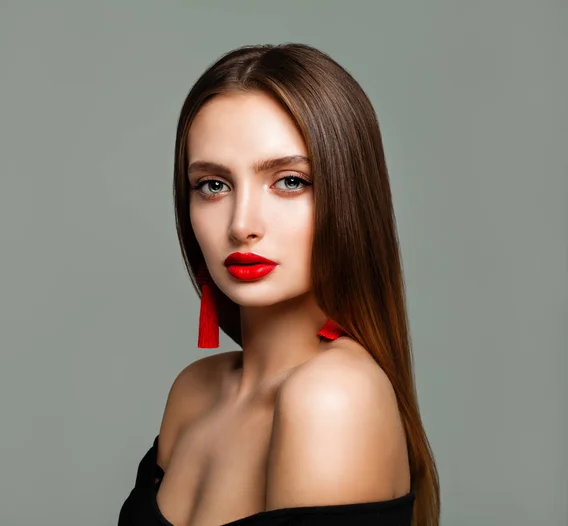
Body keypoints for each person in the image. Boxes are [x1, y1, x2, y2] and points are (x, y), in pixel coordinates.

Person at [118, 42, 440, 526]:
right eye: (213, 185)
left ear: (348, 196)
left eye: (289, 181)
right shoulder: (194, 391)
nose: (241, 224)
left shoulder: (333, 398)